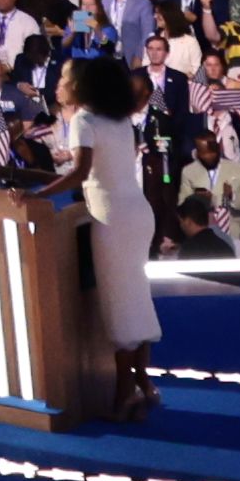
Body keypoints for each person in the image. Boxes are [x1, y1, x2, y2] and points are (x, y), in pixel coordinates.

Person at [50, 50, 161, 422]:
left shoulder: (83, 119)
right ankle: (143, 382)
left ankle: (124, 394)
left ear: (82, 86)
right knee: (135, 295)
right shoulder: (120, 120)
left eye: (64, 80)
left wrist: (37, 194)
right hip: (138, 213)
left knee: (120, 304)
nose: (59, 86)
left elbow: (81, 172)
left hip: (111, 217)